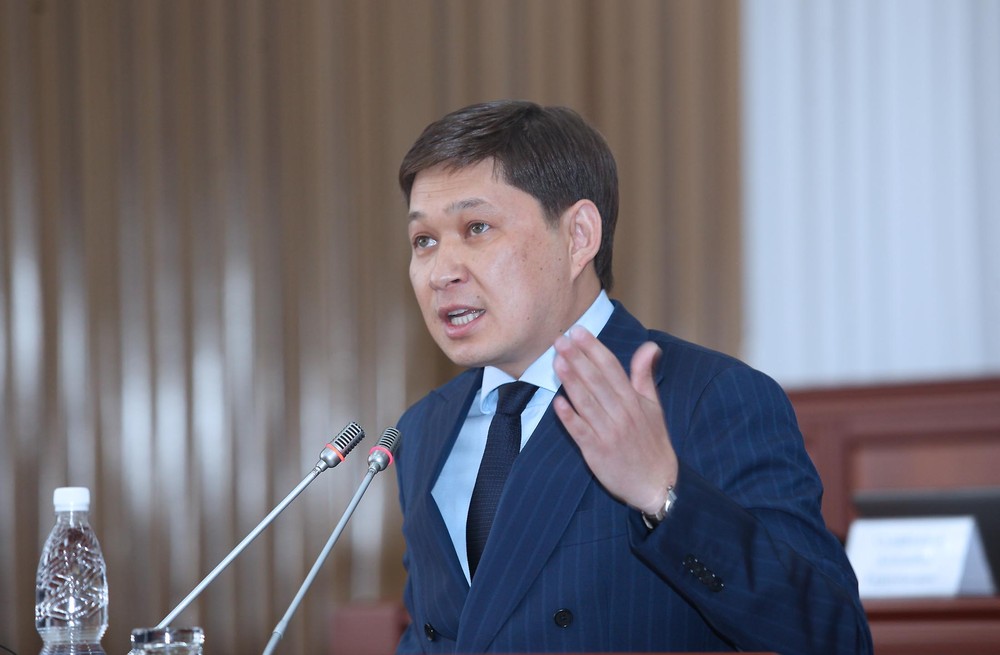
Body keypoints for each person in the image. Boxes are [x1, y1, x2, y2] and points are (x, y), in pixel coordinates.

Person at [392, 99, 872, 654]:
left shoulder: (708, 398)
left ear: (578, 236)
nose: (441, 272)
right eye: (424, 241)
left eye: (476, 228)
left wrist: (664, 495)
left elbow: (833, 638)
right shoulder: (425, 427)